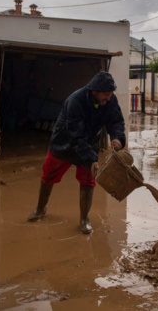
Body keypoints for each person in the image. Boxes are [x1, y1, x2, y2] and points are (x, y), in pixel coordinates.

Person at [27, 71, 126, 234]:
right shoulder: (75, 100)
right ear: (95, 91)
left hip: (88, 143)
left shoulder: (110, 100)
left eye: (110, 95)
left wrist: (117, 138)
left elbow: (116, 121)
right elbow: (76, 136)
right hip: (64, 143)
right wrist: (91, 158)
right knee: (48, 176)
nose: (108, 98)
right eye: (106, 94)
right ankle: (40, 209)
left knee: (88, 180)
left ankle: (84, 219)